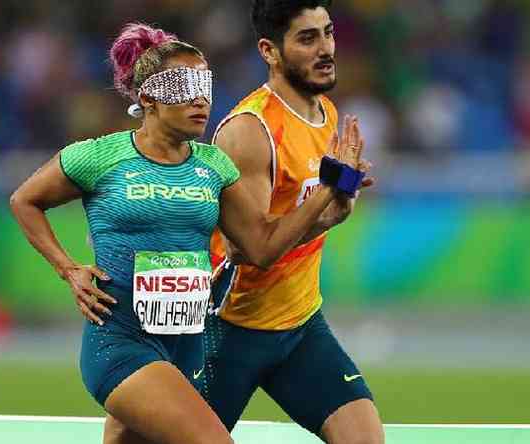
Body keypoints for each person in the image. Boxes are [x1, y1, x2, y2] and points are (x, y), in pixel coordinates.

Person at [9, 22, 368, 444]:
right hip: (122, 343)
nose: (199, 99)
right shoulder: (100, 157)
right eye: (182, 86)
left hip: (187, 347)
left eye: (204, 84)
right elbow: (24, 201)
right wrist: (68, 268)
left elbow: (262, 246)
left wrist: (329, 195)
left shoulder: (215, 166)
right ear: (147, 99)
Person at [202, 1, 385, 443]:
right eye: (307, 38)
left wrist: (335, 212)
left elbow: (311, 216)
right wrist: (328, 195)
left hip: (300, 327)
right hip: (229, 330)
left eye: (328, 32)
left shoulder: (327, 115)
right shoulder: (249, 131)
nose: (326, 48)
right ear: (269, 50)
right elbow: (255, 251)